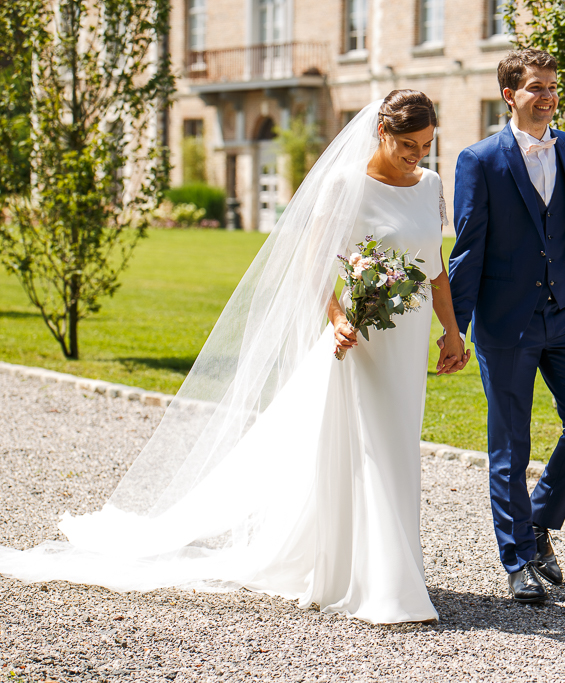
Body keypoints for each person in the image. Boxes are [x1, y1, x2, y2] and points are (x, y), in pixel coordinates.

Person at [0, 91, 468, 625]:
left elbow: (434, 268)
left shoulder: (430, 186)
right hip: (357, 342)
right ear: (381, 132)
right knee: (370, 448)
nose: (417, 155)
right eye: (408, 144)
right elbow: (314, 268)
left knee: (400, 444)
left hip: (406, 343)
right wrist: (337, 318)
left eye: (426, 146)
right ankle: (381, 582)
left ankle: (391, 564)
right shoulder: (344, 185)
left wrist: (451, 332)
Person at [447, 49, 565, 603]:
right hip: (506, 322)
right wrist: (456, 327)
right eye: (536, 87)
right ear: (510, 95)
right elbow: (467, 249)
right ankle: (517, 559)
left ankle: (538, 521)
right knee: (510, 446)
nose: (547, 96)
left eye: (552, 87)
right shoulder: (478, 160)